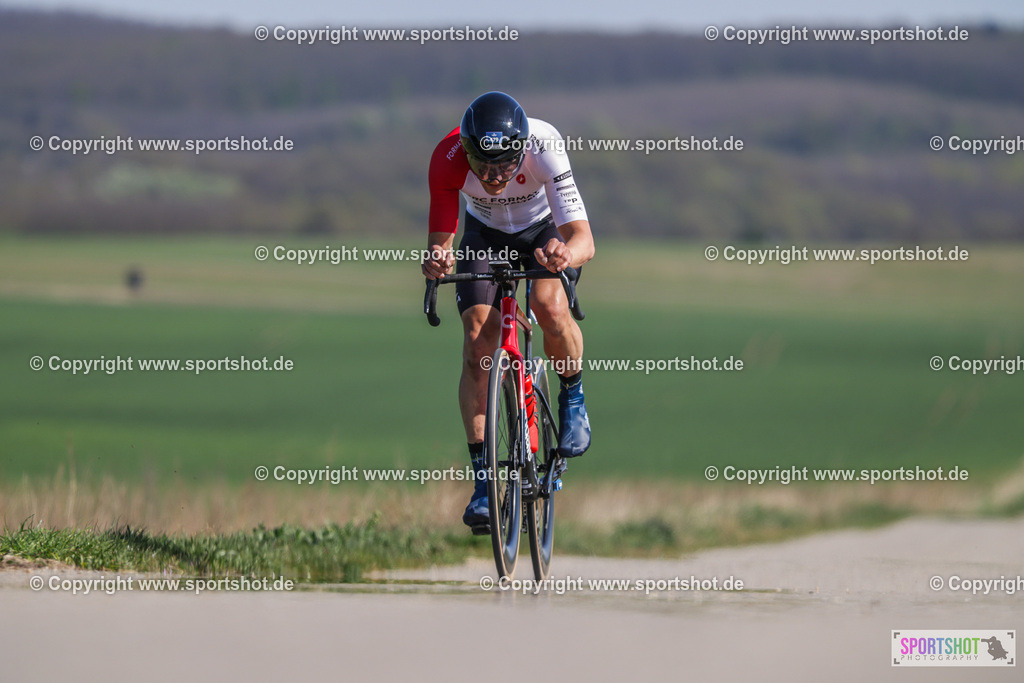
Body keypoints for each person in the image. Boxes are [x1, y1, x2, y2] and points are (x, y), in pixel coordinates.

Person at [421, 91, 595, 533]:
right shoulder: (447, 156)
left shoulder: (544, 146)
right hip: (484, 235)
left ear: (521, 150)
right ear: (468, 150)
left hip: (542, 230)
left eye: (505, 165)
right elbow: (441, 242)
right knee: (478, 339)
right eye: (484, 166)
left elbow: (583, 240)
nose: (495, 176)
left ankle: (572, 395)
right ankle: (483, 483)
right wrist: (438, 260)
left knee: (548, 305)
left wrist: (563, 254)